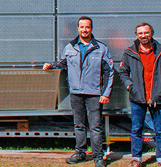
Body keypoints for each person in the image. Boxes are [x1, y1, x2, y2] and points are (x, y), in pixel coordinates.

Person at [43, 16, 114, 167]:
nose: (84, 30)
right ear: (78, 28)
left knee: (95, 127)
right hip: (76, 93)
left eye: (87, 27)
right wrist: (51, 66)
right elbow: (62, 64)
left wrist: (105, 93)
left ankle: (98, 157)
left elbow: (109, 72)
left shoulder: (101, 48)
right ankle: (80, 153)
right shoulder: (70, 47)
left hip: (94, 94)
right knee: (79, 125)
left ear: (91, 28)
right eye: (82, 27)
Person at [117, 23, 161, 167]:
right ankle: (136, 158)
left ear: (152, 33)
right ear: (136, 35)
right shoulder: (130, 52)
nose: (143, 36)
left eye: (146, 32)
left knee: (160, 130)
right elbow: (123, 72)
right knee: (136, 129)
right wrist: (130, 86)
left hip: (157, 98)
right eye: (140, 33)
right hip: (137, 98)